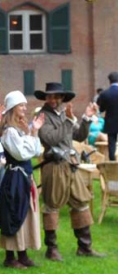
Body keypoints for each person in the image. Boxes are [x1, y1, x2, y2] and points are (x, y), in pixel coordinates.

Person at [35, 82, 105, 260]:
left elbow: (79, 135)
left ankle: (84, 247)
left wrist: (86, 119)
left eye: (56, 96)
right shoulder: (42, 116)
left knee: (81, 203)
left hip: (71, 165)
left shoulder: (63, 115)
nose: (53, 99)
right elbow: (50, 138)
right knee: (52, 206)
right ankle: (52, 249)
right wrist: (67, 120)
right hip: (54, 166)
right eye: (50, 96)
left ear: (62, 98)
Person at [0, 91, 44, 269]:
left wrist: (33, 132)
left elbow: (37, 151)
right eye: (21, 105)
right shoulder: (9, 132)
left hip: (24, 177)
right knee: (14, 213)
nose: (25, 108)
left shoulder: (19, 130)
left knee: (25, 213)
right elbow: (22, 153)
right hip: (15, 178)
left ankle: (22, 254)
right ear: (13, 108)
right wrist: (30, 136)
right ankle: (10, 257)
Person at [97, 72, 118, 161]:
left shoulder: (104, 94)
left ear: (109, 81)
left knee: (111, 144)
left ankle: (112, 162)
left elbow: (101, 109)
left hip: (111, 123)